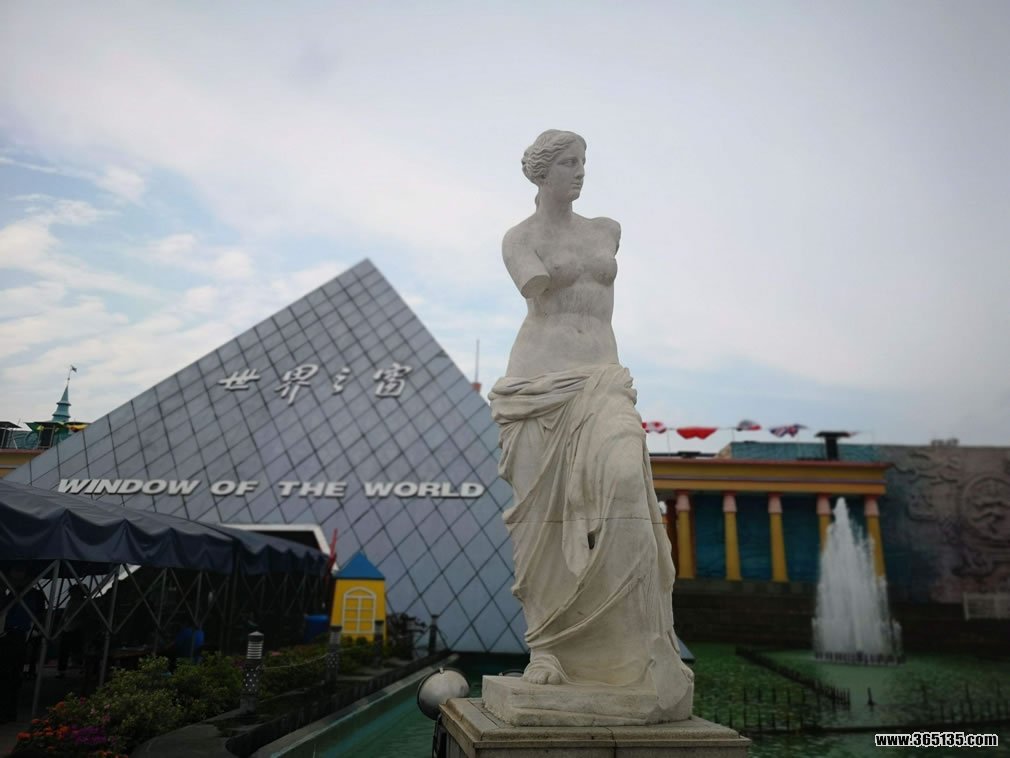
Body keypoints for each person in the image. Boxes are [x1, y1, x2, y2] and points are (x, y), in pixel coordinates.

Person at [488, 130, 693, 719]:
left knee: (626, 483)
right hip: (538, 386)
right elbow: (533, 287)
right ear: (541, 172)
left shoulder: (606, 230)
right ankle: (549, 649)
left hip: (603, 381)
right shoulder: (520, 239)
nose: (580, 172)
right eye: (569, 163)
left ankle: (635, 644)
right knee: (544, 527)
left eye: (583, 162)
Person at [0, 566, 47, 723]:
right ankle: (8, 711)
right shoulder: (17, 594)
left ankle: (6, 711)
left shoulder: (26, 595)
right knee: (11, 675)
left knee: (8, 675)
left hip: (14, 636)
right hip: (14, 636)